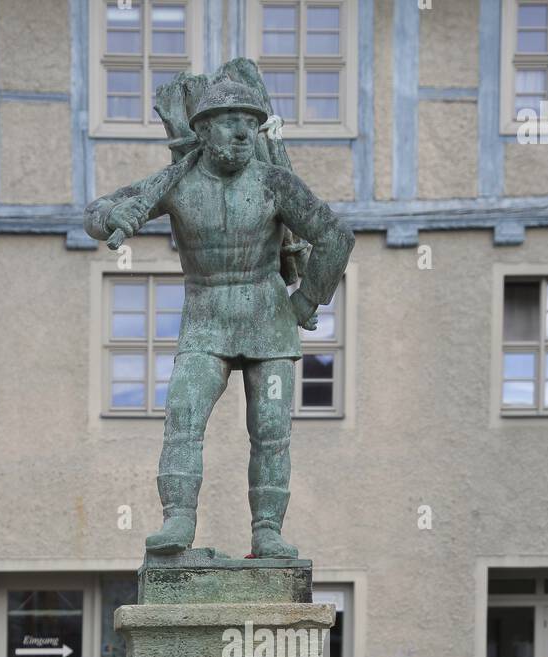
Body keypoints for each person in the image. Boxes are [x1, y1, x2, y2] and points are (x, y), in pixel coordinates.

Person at [84, 74, 354, 559]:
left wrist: (308, 300)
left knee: (271, 431)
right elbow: (96, 211)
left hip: (269, 323)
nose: (242, 133)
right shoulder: (177, 181)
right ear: (203, 130)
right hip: (205, 320)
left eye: (249, 123)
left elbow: (335, 236)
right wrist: (109, 221)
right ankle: (178, 521)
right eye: (229, 123)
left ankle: (267, 529)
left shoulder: (275, 182)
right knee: (183, 417)